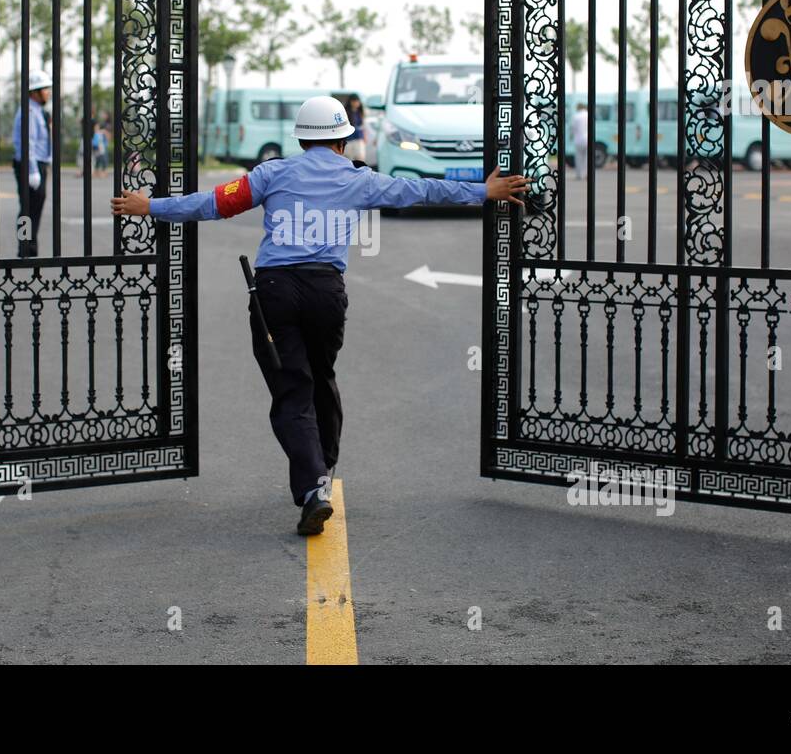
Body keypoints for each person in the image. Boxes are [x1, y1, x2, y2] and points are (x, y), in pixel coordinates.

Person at [112, 96, 529, 536]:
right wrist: (484, 191)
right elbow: (420, 191)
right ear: (342, 141)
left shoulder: (272, 173)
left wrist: (151, 206)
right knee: (322, 376)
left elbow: (214, 203)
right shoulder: (359, 179)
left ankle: (313, 489)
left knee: (293, 389)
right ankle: (323, 470)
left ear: (302, 139)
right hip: (326, 292)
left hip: (274, 293)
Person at [12, 71, 54, 258]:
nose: (49, 92)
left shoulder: (38, 111)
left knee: (34, 208)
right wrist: (32, 170)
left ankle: (30, 246)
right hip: (30, 165)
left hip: (38, 163)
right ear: (35, 92)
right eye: (45, 89)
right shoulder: (28, 112)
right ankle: (24, 247)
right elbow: (27, 142)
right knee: (27, 208)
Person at [342, 94, 367, 164]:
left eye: (357, 101)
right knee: (348, 159)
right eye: (355, 101)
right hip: (349, 139)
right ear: (351, 102)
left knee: (360, 158)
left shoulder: (360, 112)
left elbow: (363, 126)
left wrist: (365, 136)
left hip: (359, 138)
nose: (356, 103)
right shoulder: (346, 113)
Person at [571, 102, 590, 181]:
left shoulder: (576, 116)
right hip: (588, 139)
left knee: (579, 158)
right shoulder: (588, 115)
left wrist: (571, 136)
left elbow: (573, 128)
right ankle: (586, 174)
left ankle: (579, 174)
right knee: (587, 158)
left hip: (578, 139)